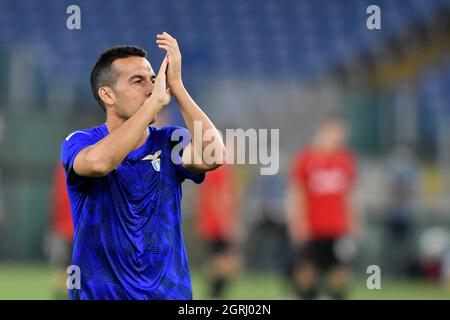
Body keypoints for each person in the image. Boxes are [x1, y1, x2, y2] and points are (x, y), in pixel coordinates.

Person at [61, 32, 226, 300]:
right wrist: (152, 107)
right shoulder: (80, 142)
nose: (152, 89)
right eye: (138, 82)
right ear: (108, 95)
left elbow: (214, 155)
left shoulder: (169, 141)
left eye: (153, 80)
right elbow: (99, 163)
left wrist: (179, 87)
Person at [286, 116, 358, 299]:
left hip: (337, 227)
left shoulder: (345, 160)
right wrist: (297, 223)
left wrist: (353, 223)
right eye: (333, 133)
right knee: (306, 270)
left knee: (339, 272)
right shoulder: (306, 159)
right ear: (323, 132)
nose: (336, 138)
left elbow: (349, 195)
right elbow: (298, 194)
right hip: (313, 227)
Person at [195, 164, 241, 299]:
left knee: (224, 262)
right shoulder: (218, 169)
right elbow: (216, 197)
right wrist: (225, 223)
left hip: (217, 224)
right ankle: (214, 293)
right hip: (216, 226)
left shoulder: (225, 170)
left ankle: (215, 292)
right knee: (224, 262)